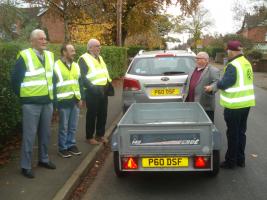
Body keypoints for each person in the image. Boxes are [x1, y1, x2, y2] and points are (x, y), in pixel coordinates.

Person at [11, 29, 56, 178]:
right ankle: (26, 166)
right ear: (32, 41)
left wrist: (52, 97)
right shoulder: (25, 56)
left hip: (47, 102)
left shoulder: (50, 56)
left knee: (46, 134)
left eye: (45, 38)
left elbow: (52, 78)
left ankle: (43, 159)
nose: (44, 41)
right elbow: (15, 81)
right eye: (41, 39)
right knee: (29, 136)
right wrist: (25, 98)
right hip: (31, 104)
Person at [205, 40, 255, 169]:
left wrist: (213, 87)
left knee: (233, 134)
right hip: (246, 104)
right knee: (241, 132)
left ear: (231, 51)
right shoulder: (246, 62)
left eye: (228, 51)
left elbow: (226, 83)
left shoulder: (233, 65)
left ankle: (230, 161)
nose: (227, 53)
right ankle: (240, 159)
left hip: (234, 105)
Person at [78, 39, 113, 145]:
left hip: (103, 90)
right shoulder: (83, 59)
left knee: (103, 114)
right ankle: (89, 137)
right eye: (97, 46)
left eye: (99, 46)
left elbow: (103, 72)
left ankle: (100, 135)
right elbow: (82, 77)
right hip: (92, 91)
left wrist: (107, 85)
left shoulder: (100, 58)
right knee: (92, 114)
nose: (99, 48)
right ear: (90, 48)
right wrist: (92, 88)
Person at [53, 43, 83, 158]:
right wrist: (55, 104)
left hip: (75, 101)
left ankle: (71, 145)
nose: (74, 53)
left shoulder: (76, 65)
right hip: (63, 101)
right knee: (63, 127)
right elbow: (53, 86)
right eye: (71, 51)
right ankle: (62, 148)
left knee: (73, 126)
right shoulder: (56, 66)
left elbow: (79, 83)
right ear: (64, 52)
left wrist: (80, 98)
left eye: (74, 50)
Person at [184, 52, 220, 122]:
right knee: (193, 121)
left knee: (206, 124)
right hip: (191, 102)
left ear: (206, 60)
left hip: (204, 104)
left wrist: (211, 87)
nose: (196, 60)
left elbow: (217, 82)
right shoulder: (192, 69)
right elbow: (188, 83)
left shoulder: (213, 70)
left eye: (198, 59)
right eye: (196, 58)